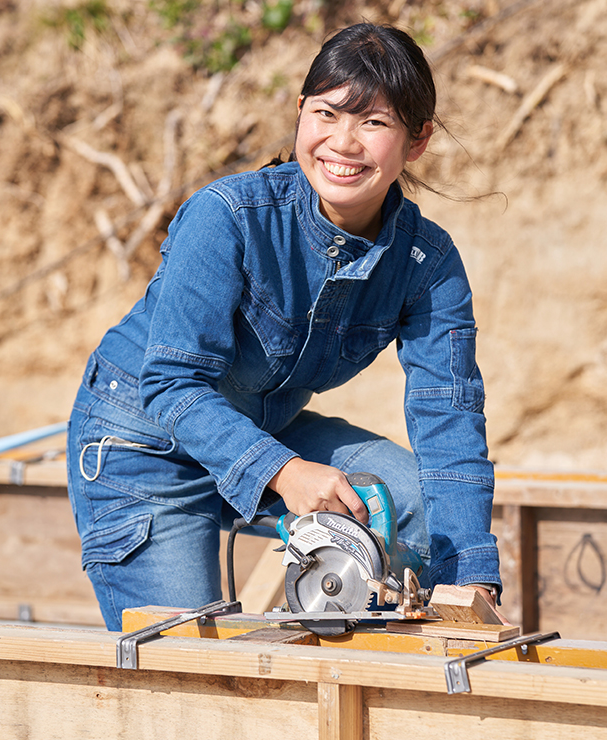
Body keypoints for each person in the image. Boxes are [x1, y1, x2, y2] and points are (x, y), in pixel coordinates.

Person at [67, 22, 505, 631]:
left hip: (264, 428)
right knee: (194, 666)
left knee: (418, 503)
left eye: (374, 123)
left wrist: (469, 584)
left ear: (418, 139)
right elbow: (169, 385)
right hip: (141, 445)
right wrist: (285, 472)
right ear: (300, 113)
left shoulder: (428, 263)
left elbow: (449, 417)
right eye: (326, 114)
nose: (343, 143)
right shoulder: (227, 217)